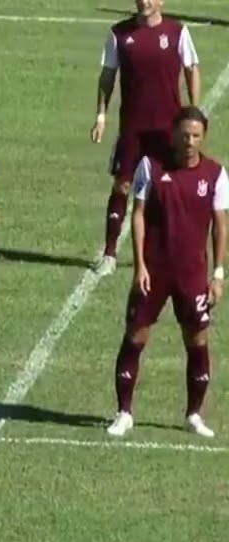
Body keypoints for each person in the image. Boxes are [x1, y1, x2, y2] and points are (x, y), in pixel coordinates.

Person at [108, 105, 227, 438]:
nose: (190, 142)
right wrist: (140, 265)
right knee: (136, 336)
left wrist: (218, 273)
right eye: (185, 135)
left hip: (192, 275)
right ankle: (124, 412)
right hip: (154, 271)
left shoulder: (215, 175)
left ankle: (194, 414)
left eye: (196, 136)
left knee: (197, 340)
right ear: (174, 135)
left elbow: (220, 226)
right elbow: (138, 214)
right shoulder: (151, 167)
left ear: (203, 137)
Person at [91, 0, 200, 275]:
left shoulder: (177, 32)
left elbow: (192, 68)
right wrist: (101, 116)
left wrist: (194, 112)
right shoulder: (119, 34)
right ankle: (109, 253)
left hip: (167, 131)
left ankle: (173, 252)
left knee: (171, 190)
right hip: (133, 129)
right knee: (122, 186)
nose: (144, 2)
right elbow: (107, 76)